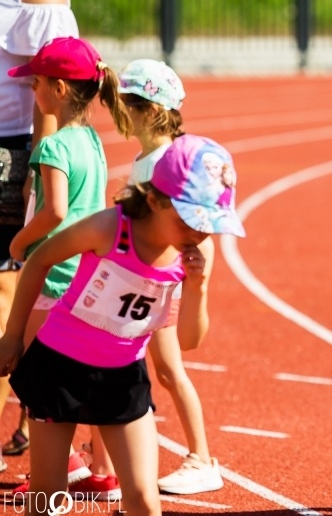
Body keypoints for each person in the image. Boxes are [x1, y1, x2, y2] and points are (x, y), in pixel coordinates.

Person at [0, 133, 244, 515]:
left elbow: (190, 339)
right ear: (154, 200)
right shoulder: (109, 228)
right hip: (58, 367)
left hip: (123, 377)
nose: (200, 232)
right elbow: (39, 260)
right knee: (47, 496)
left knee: (145, 500)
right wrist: (13, 337)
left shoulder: (197, 254)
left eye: (209, 222)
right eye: (191, 220)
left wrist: (199, 285)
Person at [73, 58, 223, 498]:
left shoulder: (170, 160)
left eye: (130, 105)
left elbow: (198, 221)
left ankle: (201, 457)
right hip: (142, 276)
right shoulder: (147, 156)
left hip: (164, 276)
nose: (123, 114)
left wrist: (189, 272)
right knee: (132, 360)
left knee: (169, 368)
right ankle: (107, 464)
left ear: (153, 111)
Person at [5, 35, 130, 493]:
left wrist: (19, 243)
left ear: (58, 89)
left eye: (36, 82)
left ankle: (55, 472)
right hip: (89, 272)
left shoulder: (52, 148)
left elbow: (55, 211)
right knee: (92, 374)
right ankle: (102, 470)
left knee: (38, 378)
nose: (31, 91)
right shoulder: (92, 141)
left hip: (53, 275)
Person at [0, 0, 78, 463]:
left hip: (11, 152)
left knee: (13, 297)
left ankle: (52, 444)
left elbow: (48, 80)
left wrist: (37, 167)